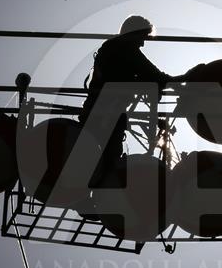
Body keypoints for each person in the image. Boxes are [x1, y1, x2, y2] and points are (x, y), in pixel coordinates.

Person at [79, 15, 201, 180]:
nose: (143, 43)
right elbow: (155, 76)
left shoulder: (114, 48)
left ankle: (90, 189)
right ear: (133, 33)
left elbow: (151, 78)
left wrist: (175, 83)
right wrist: (184, 78)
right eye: (142, 37)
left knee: (94, 159)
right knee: (107, 162)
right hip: (106, 116)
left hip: (100, 112)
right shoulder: (125, 49)